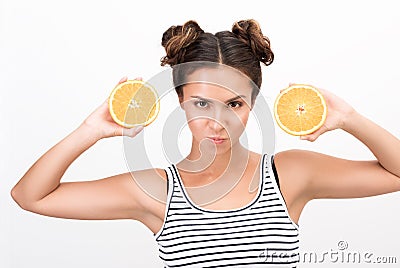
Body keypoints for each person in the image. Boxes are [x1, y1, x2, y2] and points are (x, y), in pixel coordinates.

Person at [10, 19, 400, 268]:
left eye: (234, 103)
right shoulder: (156, 193)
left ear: (252, 104)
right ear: (179, 100)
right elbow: (32, 197)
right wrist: (89, 130)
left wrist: (350, 119)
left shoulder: (291, 174)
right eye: (201, 104)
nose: (219, 122)